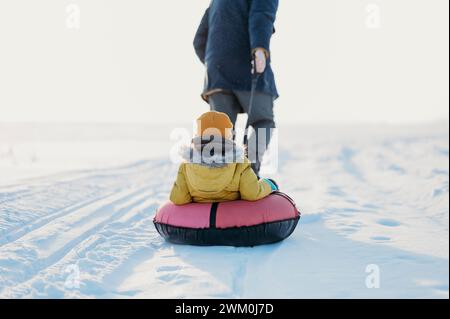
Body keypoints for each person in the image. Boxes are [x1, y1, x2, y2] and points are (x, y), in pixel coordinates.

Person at [193, 0, 279, 176]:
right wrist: (259, 49)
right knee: (262, 121)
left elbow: (199, 40)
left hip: (216, 76)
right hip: (249, 68)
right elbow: (261, 15)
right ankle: (247, 174)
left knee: (219, 128)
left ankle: (215, 181)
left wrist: (215, 62)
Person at [170, 111, 278, 205]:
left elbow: (178, 198)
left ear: (198, 134)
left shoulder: (186, 164)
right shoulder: (239, 162)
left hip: (198, 221)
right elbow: (252, 193)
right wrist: (268, 184)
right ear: (228, 135)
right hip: (232, 218)